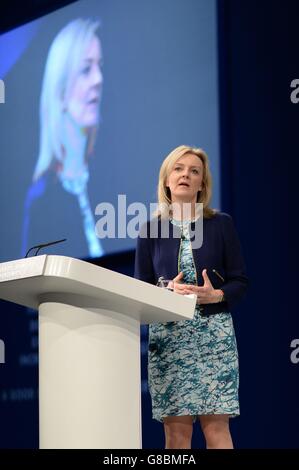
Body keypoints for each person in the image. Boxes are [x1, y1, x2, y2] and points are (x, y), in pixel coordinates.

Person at [134, 145, 248, 449]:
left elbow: (240, 280)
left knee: (217, 430)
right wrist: (166, 291)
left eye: (194, 171)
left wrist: (218, 295)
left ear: (202, 184)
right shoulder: (150, 230)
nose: (186, 174)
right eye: (178, 169)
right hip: (170, 339)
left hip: (214, 336)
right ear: (167, 181)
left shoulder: (221, 224)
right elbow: (139, 288)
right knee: (176, 436)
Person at [21, 18, 104, 258]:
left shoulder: (107, 173)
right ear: (59, 91)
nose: (98, 80)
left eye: (100, 67)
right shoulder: (42, 199)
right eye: (86, 69)